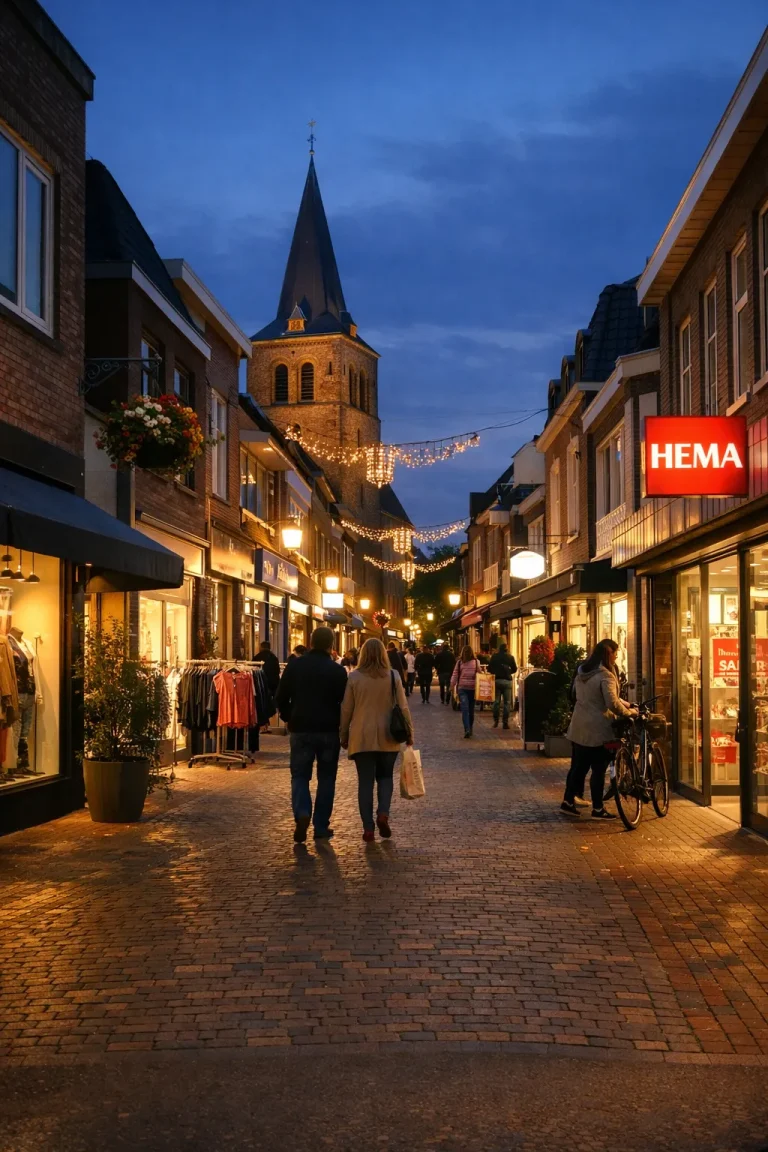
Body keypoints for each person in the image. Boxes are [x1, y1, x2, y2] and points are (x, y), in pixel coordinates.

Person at [275, 626, 349, 843]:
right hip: (328, 729)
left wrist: (290, 716)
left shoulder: (295, 666)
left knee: (299, 775)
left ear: (311, 642)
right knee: (326, 778)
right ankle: (320, 825)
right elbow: (344, 703)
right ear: (331, 645)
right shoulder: (336, 671)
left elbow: (280, 696)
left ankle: (302, 813)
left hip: (301, 728)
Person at [340, 638, 414, 842]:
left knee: (365, 783)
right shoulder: (393, 676)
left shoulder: (354, 677)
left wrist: (343, 734)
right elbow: (403, 706)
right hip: (388, 735)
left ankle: (368, 828)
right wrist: (409, 733)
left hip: (362, 736)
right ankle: (383, 813)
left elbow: (346, 709)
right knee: (385, 777)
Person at [560, 639, 637, 821]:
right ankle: (598, 808)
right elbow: (611, 702)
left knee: (578, 768)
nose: (617, 657)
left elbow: (583, 695)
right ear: (608, 654)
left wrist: (624, 704)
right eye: (615, 653)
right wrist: (629, 712)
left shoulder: (582, 671)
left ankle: (568, 802)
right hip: (598, 729)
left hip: (579, 726)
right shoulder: (605, 675)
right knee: (599, 769)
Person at [450, 644, 480, 738]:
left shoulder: (459, 663)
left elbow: (455, 674)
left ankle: (467, 729)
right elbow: (479, 674)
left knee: (465, 710)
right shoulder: (476, 662)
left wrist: (452, 685)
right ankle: (470, 728)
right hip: (472, 688)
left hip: (462, 688)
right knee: (471, 710)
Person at [488, 643, 517, 729]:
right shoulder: (510, 657)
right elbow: (514, 669)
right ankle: (505, 722)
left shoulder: (494, 657)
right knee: (507, 702)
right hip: (507, 681)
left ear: (499, 649)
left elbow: (489, 668)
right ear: (506, 649)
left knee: (496, 702)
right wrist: (508, 672)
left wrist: (495, 672)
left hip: (496, 680)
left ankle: (496, 721)